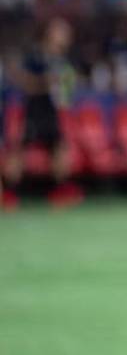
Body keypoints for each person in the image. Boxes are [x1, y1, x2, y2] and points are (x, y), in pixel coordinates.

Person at [2, 17, 81, 210]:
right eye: (61, 31)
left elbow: (66, 91)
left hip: (51, 111)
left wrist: (66, 88)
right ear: (49, 33)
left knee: (59, 149)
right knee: (19, 151)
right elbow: (24, 81)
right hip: (34, 110)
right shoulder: (36, 55)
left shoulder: (63, 59)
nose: (65, 35)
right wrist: (46, 82)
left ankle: (60, 191)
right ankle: (8, 192)